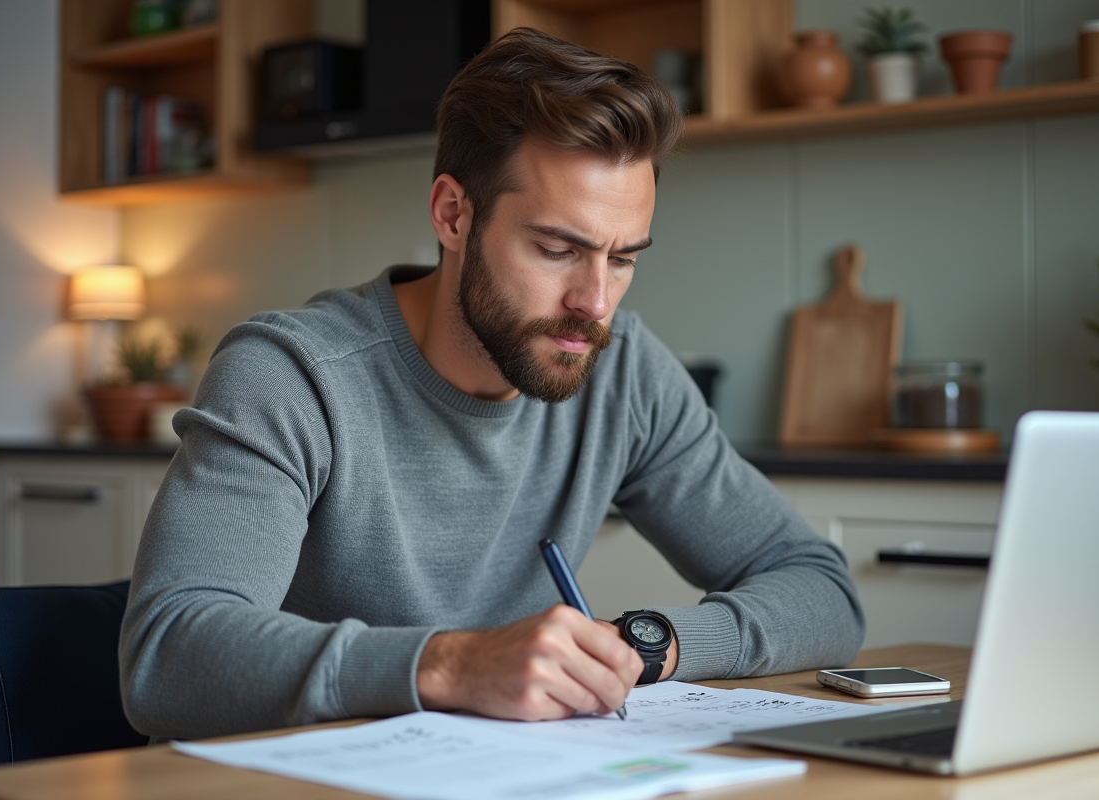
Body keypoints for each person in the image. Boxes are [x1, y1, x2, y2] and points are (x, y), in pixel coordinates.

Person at [120, 28, 864, 740]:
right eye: (556, 248)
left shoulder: (623, 371)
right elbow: (168, 655)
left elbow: (820, 589)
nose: (595, 303)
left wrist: (647, 644)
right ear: (452, 213)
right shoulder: (291, 376)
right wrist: (450, 664)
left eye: (624, 258)